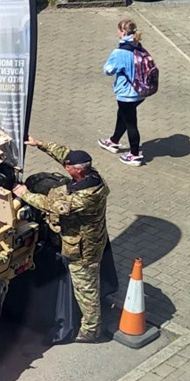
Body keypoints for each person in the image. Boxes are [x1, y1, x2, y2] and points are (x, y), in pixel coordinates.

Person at [12, 138, 110, 343]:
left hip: (84, 250)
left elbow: (49, 205)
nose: (65, 167)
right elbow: (66, 154)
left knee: (86, 288)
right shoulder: (92, 175)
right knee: (87, 284)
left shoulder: (84, 198)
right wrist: (40, 144)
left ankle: (91, 330)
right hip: (92, 238)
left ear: (78, 171)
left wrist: (24, 194)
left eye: (69, 167)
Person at [98, 19, 147, 166]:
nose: (117, 32)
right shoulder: (139, 47)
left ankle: (134, 155)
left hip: (127, 93)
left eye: (118, 30)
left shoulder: (119, 52)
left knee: (131, 123)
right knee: (123, 115)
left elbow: (108, 70)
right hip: (141, 92)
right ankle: (113, 141)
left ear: (123, 32)